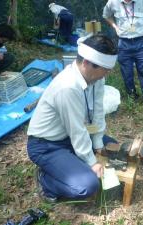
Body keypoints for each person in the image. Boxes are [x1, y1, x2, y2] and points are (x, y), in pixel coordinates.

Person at [26, 34, 118, 202]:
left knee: (113, 148)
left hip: (69, 137)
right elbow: (77, 131)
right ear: (86, 63)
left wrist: (97, 144)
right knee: (88, 185)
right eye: (104, 69)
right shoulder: (68, 87)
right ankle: (46, 181)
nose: (107, 74)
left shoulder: (97, 78)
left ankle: (70, 163)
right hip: (46, 145)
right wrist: (92, 162)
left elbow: (97, 112)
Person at [103, 0, 143, 106]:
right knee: (127, 73)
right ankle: (132, 96)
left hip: (139, 42)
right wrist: (115, 26)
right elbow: (106, 15)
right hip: (123, 43)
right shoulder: (112, 2)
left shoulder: (142, 1)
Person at [0, 23, 15, 109]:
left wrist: (0, 53)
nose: (3, 43)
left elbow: (1, 50)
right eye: (3, 40)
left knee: (9, 57)